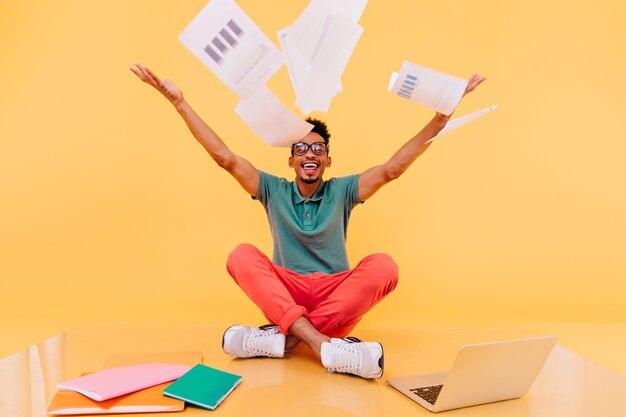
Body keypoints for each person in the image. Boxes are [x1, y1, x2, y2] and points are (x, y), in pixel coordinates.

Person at [130, 63, 486, 379]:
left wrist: (441, 119)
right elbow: (224, 157)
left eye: (318, 148)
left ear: (328, 161)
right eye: (301, 149)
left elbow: (393, 168)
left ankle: (280, 340)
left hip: (336, 296)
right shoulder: (272, 189)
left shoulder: (343, 190)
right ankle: (327, 346)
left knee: (384, 266)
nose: (309, 153)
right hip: (286, 293)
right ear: (291, 162)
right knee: (240, 255)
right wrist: (179, 102)